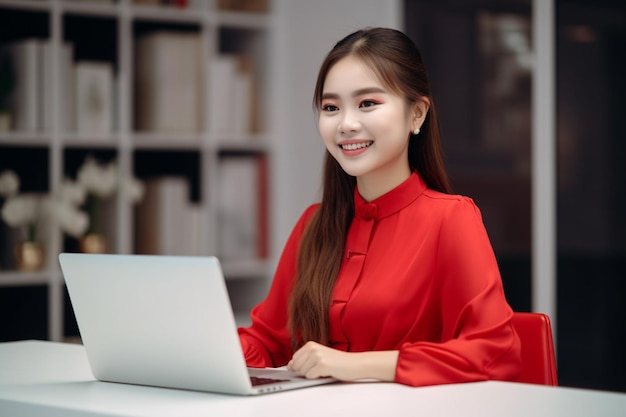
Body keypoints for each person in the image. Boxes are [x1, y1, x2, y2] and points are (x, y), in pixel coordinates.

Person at [238, 27, 522, 387]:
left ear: (416, 114)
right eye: (330, 107)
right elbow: (266, 341)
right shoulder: (314, 224)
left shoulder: (451, 219)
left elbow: (494, 355)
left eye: (367, 103)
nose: (346, 124)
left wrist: (356, 365)